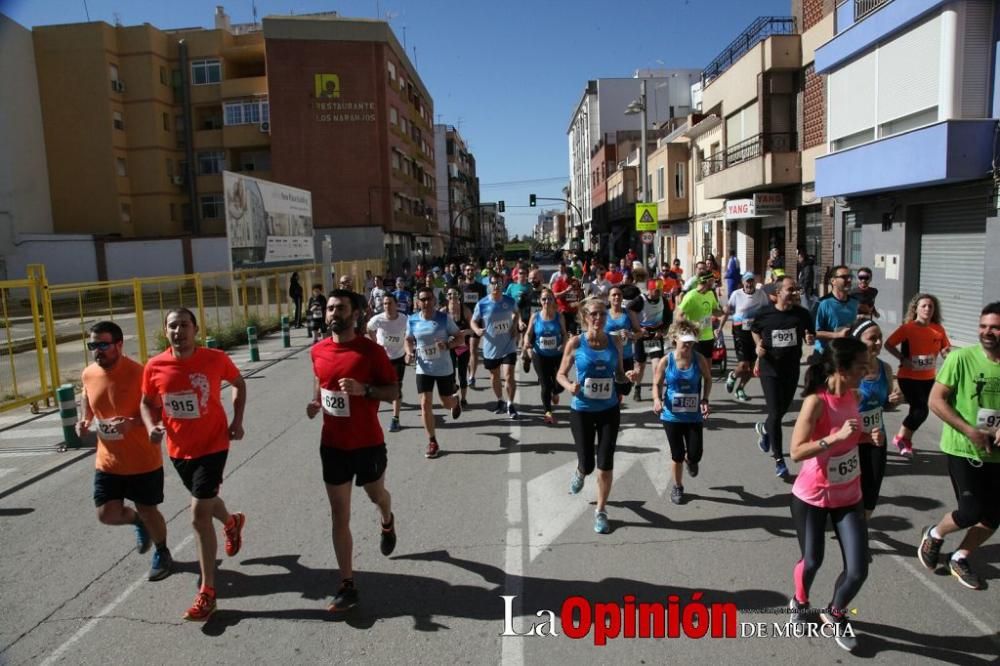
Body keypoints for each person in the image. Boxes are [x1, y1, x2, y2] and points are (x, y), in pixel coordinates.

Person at [140, 308, 246, 621]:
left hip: (214, 444)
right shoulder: (155, 366)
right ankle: (231, 522)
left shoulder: (214, 358)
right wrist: (150, 426)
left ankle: (208, 593)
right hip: (178, 450)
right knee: (208, 501)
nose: (179, 331)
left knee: (199, 514)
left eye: (184, 325)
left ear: (195, 329)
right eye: (173, 326)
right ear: (166, 330)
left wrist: (237, 420)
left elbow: (239, 383)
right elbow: (147, 402)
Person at [307, 289, 399, 613]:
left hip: (368, 444)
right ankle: (347, 584)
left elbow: (394, 390)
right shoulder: (317, 350)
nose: (333, 313)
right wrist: (316, 403)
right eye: (330, 308)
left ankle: (387, 520)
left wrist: (365, 390)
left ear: (355, 314)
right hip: (333, 446)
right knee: (339, 514)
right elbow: (320, 381)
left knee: (377, 495)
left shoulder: (371, 353)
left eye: (340, 308)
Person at [787, 337, 870, 652]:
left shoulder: (854, 395)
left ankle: (835, 613)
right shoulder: (816, 401)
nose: (866, 370)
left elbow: (851, 436)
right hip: (813, 496)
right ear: (842, 368)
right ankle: (799, 600)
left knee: (858, 569)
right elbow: (796, 451)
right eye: (861, 366)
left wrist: (866, 436)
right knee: (812, 561)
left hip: (849, 495)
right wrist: (834, 437)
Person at [78, 321, 172, 582]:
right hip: (108, 461)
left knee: (148, 509)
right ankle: (137, 522)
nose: (98, 351)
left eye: (104, 345)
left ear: (119, 344)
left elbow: (158, 411)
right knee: (106, 514)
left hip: (143, 460)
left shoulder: (140, 374)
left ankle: (162, 551)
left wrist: (134, 423)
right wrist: (84, 419)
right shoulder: (88, 373)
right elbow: (87, 395)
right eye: (93, 345)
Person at [917, 302, 1000, 591]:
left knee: (994, 515)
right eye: (983, 326)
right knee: (970, 512)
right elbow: (936, 401)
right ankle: (934, 533)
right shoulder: (961, 358)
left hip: (997, 453)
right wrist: (970, 431)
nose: (987, 332)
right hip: (963, 448)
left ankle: (960, 556)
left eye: (995, 327)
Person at [557, 297, 637, 534]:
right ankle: (581, 471)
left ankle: (601, 511)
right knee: (589, 464)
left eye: (602, 314)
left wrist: (628, 377)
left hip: (609, 410)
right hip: (581, 411)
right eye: (594, 314)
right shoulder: (575, 343)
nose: (599, 318)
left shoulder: (615, 342)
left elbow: (619, 374)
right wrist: (569, 386)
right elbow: (560, 374)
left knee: (605, 462)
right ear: (585, 316)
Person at [751, 277, 816, 478]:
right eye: (790, 289)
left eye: (796, 289)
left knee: (781, 411)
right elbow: (754, 330)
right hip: (769, 368)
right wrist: (758, 345)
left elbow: (809, 333)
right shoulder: (764, 313)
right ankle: (779, 459)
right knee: (776, 413)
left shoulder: (802, 314)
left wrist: (809, 338)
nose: (795, 292)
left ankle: (765, 428)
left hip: (791, 368)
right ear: (778, 292)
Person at [652, 320, 712, 505]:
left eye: (691, 341)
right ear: (675, 339)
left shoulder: (699, 359)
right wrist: (656, 399)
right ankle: (678, 486)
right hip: (671, 415)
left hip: (693, 415)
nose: (688, 344)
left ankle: (691, 460)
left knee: (695, 454)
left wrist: (705, 399)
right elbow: (657, 383)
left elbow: (708, 379)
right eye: (685, 340)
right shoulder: (666, 360)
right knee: (676, 454)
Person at [885, 293, 951, 458]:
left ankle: (902, 437)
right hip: (908, 377)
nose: (928, 309)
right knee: (921, 410)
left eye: (931, 306)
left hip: (929, 377)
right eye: (924, 306)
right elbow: (889, 344)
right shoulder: (908, 328)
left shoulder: (938, 329)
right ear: (916, 309)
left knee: (918, 409)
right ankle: (902, 439)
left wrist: (948, 355)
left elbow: (945, 349)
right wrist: (902, 359)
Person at [850, 318, 902, 524]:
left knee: (871, 491)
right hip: (849, 441)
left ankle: (860, 529)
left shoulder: (885, 369)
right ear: (858, 341)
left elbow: (885, 405)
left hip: (876, 439)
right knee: (847, 489)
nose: (879, 343)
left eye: (880, 338)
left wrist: (893, 401)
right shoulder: (848, 372)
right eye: (873, 338)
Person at [406, 287, 463, 458]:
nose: (426, 302)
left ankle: (455, 401)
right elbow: (408, 339)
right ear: (417, 302)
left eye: (429, 299)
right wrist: (409, 352)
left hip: (444, 367)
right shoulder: (413, 320)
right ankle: (432, 441)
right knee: (425, 403)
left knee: (446, 403)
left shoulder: (444, 319)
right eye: (422, 299)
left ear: (434, 301)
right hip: (423, 368)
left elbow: (460, 338)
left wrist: (447, 345)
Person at [472, 275, 523, 418]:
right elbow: (473, 321)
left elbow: (517, 313)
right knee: (494, 375)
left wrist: (515, 325)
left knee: (508, 375)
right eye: (493, 283)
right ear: (489, 285)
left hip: (508, 345)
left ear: (502, 285)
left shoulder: (509, 301)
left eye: (499, 283)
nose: (496, 286)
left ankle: (510, 404)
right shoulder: (482, 304)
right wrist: (476, 330)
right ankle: (500, 400)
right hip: (491, 346)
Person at [719, 271, 768, 402]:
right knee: (743, 364)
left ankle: (740, 389)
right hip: (740, 330)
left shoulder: (761, 294)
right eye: (747, 281)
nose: (749, 283)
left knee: (752, 367)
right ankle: (733, 375)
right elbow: (727, 311)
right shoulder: (736, 294)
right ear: (743, 282)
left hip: (755, 332)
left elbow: (767, 312)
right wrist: (719, 328)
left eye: (751, 281)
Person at [522, 287, 567, 424]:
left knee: (560, 385)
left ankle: (555, 391)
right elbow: (529, 334)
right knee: (545, 385)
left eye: (549, 298)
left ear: (554, 300)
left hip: (557, 354)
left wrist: (564, 344)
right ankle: (548, 412)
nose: (546, 301)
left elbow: (564, 334)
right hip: (540, 354)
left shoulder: (559, 316)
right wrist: (526, 343)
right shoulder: (535, 317)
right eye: (544, 299)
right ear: (540, 301)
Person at [366, 292, 408, 433]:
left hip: (398, 357)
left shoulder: (404, 319)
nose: (387, 306)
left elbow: (409, 335)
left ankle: (395, 419)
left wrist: (409, 351)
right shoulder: (378, 319)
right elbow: (369, 328)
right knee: (376, 388)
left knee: (396, 388)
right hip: (382, 358)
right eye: (385, 304)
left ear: (396, 304)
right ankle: (371, 417)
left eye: (390, 303)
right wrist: (375, 343)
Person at [604, 285, 643, 402]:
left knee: (625, 389)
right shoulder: (603, 314)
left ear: (622, 298)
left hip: (626, 356)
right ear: (609, 298)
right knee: (612, 387)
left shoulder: (629, 313)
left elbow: (639, 332)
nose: (616, 297)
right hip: (608, 356)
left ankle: (618, 395)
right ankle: (613, 403)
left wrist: (630, 335)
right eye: (614, 295)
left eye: (619, 295)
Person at [813, 265, 859, 361]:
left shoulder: (855, 302)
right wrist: (836, 335)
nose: (849, 280)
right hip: (826, 355)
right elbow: (812, 332)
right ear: (833, 281)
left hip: (847, 353)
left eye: (850, 277)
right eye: (844, 277)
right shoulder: (822, 303)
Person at [632, 280, 669, 402]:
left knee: (657, 366)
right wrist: (638, 328)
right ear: (650, 289)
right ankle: (637, 388)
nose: (659, 293)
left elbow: (669, 317)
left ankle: (657, 393)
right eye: (656, 290)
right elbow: (629, 310)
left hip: (655, 337)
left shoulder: (663, 300)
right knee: (640, 366)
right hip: (642, 336)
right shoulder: (640, 300)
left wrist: (663, 330)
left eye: (660, 290)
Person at [677, 270, 722, 361]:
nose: (714, 283)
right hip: (695, 338)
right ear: (708, 281)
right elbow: (679, 316)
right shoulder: (691, 296)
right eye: (712, 280)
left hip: (708, 337)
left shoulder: (710, 294)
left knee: (707, 369)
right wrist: (690, 328)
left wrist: (724, 311)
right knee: (696, 369)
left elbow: (714, 311)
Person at [442, 287, 474, 408]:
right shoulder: (443, 311)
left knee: (462, 373)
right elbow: (437, 330)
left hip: (462, 347)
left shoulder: (465, 310)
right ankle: (455, 396)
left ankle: (464, 399)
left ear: (459, 296)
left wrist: (466, 332)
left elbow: (473, 329)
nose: (453, 297)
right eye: (450, 294)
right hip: (449, 347)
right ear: (447, 297)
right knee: (450, 374)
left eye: (455, 294)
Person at [461, 266, 487, 386]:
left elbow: (484, 304)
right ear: (464, 272)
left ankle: (472, 376)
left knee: (473, 349)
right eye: (467, 270)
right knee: (463, 350)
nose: (470, 272)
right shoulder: (460, 287)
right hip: (463, 323)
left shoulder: (481, 287)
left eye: (472, 270)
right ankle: (467, 372)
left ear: (475, 272)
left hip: (476, 322)